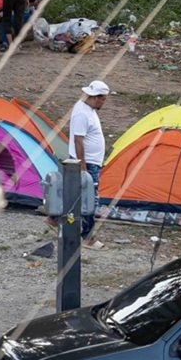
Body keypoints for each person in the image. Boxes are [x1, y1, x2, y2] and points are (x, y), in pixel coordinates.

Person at [69, 81, 109, 249]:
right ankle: (87, 237)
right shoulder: (82, 113)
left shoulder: (88, 109)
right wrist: (82, 164)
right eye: (103, 99)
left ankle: (55, 219)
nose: (104, 102)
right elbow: (78, 140)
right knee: (90, 199)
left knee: (76, 195)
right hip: (87, 163)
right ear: (96, 97)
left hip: (92, 161)